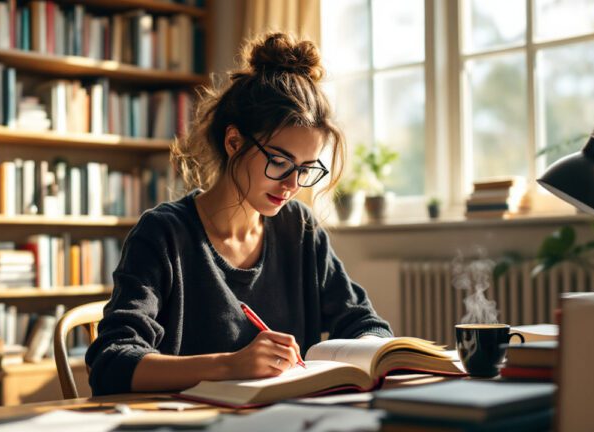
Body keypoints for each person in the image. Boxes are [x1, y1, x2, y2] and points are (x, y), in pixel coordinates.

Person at [85, 32, 392, 395]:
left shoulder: (300, 228)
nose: (293, 183)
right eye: (279, 162)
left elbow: (363, 322)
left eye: (307, 168)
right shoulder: (164, 233)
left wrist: (377, 350)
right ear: (234, 142)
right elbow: (110, 362)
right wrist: (229, 364)